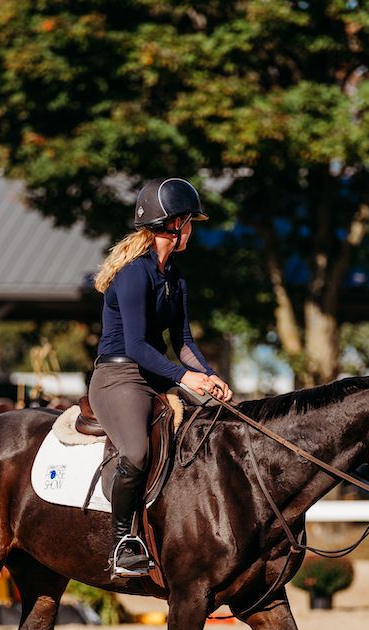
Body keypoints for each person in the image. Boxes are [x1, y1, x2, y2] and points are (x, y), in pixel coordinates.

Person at [89, 177, 232, 577]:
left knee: (218, 424)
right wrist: (186, 378)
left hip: (157, 373)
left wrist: (209, 376)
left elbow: (182, 340)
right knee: (135, 451)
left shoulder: (176, 278)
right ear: (175, 223)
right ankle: (123, 541)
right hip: (119, 377)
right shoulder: (135, 275)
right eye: (191, 222)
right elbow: (135, 345)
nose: (192, 231)